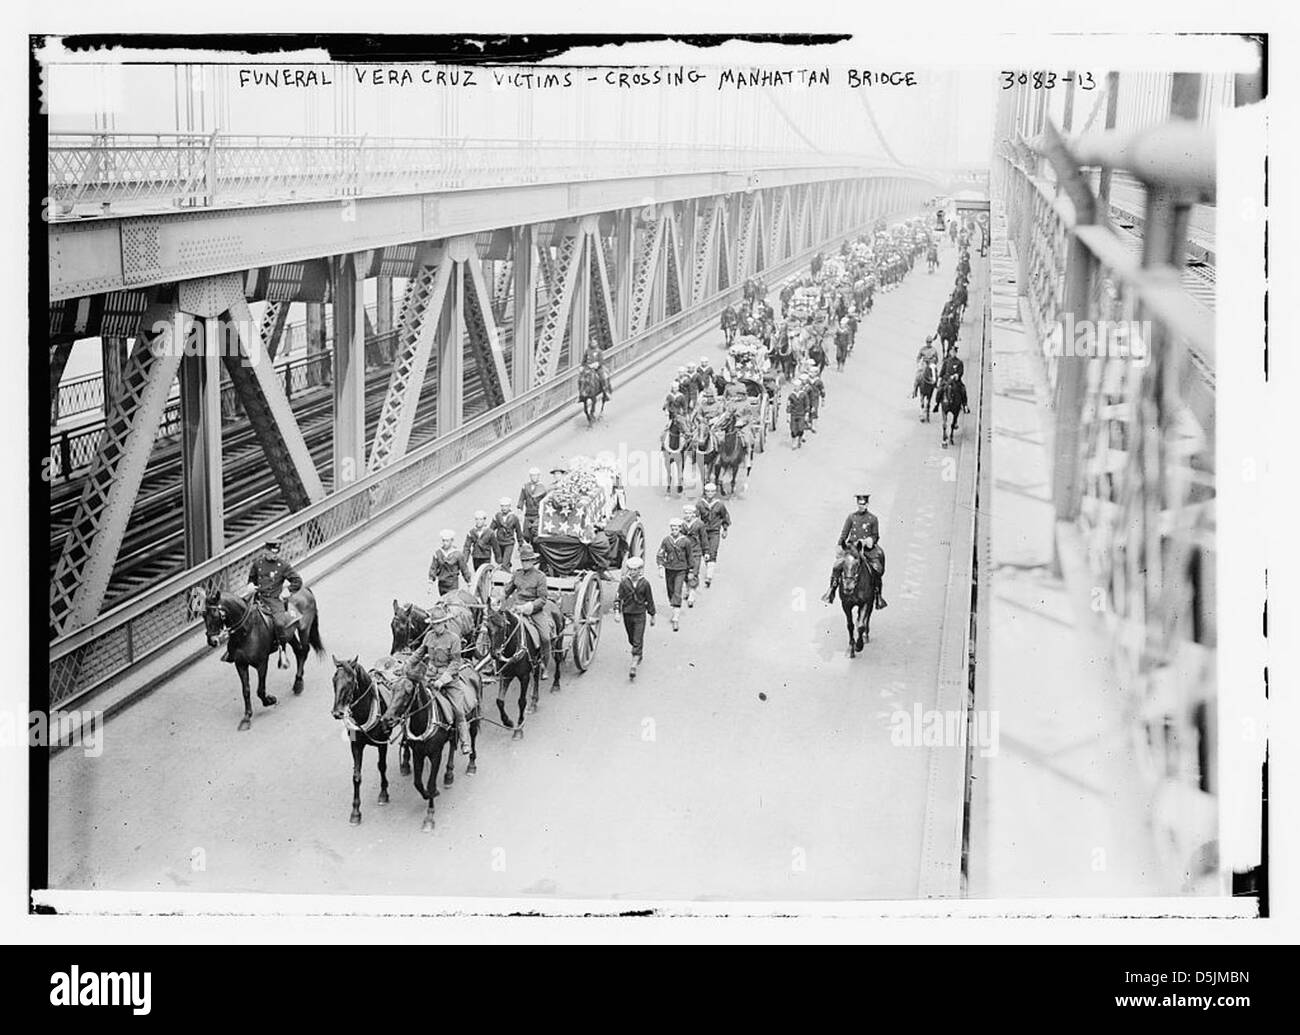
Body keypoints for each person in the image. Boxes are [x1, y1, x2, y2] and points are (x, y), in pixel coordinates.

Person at [393, 601, 473, 754]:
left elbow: (456, 662)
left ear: (444, 622)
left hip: (449, 681)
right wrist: (405, 666)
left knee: (458, 709)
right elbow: (419, 653)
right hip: (429, 676)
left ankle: (465, 740)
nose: (435, 627)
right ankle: (406, 736)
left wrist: (443, 680)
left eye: (438, 624)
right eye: (433, 624)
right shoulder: (429, 636)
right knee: (410, 700)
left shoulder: (454, 639)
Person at [227, 538, 303, 662]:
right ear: (266, 551)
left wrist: (287, 591)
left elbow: (297, 581)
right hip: (258, 597)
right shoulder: (258, 564)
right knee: (239, 617)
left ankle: (282, 650)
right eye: (272, 553)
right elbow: (251, 578)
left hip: (274, 599)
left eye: (276, 553)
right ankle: (232, 650)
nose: (274, 555)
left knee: (279, 623)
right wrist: (251, 585)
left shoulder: (283, 565)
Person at [501, 544, 562, 677]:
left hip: (534, 610)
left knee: (545, 637)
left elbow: (542, 599)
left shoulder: (540, 577)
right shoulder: (517, 574)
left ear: (533, 561)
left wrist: (529, 607)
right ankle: (500, 661)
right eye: (523, 560)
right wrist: (498, 598)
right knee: (501, 631)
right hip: (516, 609)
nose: (525, 563)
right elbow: (507, 590)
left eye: (528, 560)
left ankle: (545, 665)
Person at [837, 493, 887, 608]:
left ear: (867, 504)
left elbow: (875, 536)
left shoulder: (873, 519)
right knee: (837, 566)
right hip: (852, 548)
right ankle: (831, 590)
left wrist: (868, 541)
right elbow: (844, 533)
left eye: (863, 504)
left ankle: (878, 595)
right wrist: (840, 545)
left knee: (877, 568)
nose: (861, 506)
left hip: (866, 548)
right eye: (859, 504)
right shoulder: (851, 517)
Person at [656, 517, 700, 632]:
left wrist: (691, 570)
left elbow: (690, 557)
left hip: (681, 570)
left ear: (680, 529)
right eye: (672, 528)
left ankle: (675, 617)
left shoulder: (685, 541)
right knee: (670, 591)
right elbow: (660, 553)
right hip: (669, 569)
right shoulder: (666, 540)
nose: (674, 530)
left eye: (676, 528)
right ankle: (674, 606)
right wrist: (660, 566)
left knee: (677, 590)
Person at [615, 556, 656, 678]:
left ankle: (633, 664)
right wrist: (617, 612)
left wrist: (652, 615)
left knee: (637, 639)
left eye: (635, 570)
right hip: (627, 614)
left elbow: (649, 600)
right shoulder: (624, 583)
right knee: (631, 638)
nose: (632, 572)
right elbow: (618, 598)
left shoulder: (645, 583)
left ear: (640, 570)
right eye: (630, 569)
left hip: (640, 614)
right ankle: (638, 652)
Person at [695, 482, 731, 587]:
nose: (710, 493)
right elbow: (696, 517)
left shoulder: (719, 505)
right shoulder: (700, 504)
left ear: (715, 492)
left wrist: (725, 529)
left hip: (715, 531)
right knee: (705, 552)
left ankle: (709, 576)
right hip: (703, 532)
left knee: (713, 551)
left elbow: (725, 517)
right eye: (707, 491)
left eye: (712, 491)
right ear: (705, 492)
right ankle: (709, 568)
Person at [428, 529, 472, 598]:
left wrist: (469, 582)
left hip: (452, 584)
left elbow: (464, 569)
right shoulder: (438, 553)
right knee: (443, 602)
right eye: (443, 540)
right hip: (442, 584)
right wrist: (430, 583)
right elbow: (433, 568)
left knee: (452, 601)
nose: (445, 543)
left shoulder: (458, 554)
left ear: (452, 541)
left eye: (447, 541)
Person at [679, 503, 707, 608]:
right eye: (685, 513)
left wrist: (706, 552)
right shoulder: (681, 525)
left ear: (693, 514)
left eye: (689, 513)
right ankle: (688, 588)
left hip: (696, 551)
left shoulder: (699, 524)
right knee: (685, 571)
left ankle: (692, 594)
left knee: (693, 572)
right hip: (684, 552)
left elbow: (704, 538)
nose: (687, 515)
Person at [490, 497, 524, 568]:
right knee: (499, 561)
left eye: (506, 506)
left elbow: (518, 531)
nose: (504, 508)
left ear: (509, 506)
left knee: (505, 563)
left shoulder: (514, 518)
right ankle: (507, 568)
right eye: (502, 506)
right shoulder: (497, 516)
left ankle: (506, 570)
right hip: (499, 542)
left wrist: (520, 544)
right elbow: (491, 529)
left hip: (509, 543)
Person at [935, 345, 969, 414]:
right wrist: (940, 378)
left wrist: (957, 375)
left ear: (956, 353)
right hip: (946, 379)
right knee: (940, 390)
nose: (953, 353)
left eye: (954, 352)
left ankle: (965, 405)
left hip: (955, 381)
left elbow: (961, 372)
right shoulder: (946, 361)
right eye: (952, 352)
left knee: (963, 389)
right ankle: (937, 404)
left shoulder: (959, 362)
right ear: (950, 352)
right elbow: (942, 371)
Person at [517, 467, 549, 542]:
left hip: (537, 515)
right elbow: (521, 499)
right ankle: (528, 549)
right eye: (532, 475)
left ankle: (536, 551)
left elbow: (545, 501)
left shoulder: (542, 487)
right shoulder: (525, 486)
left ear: (539, 476)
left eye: (536, 475)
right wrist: (519, 510)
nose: (534, 477)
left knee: (535, 534)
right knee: (526, 534)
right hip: (528, 514)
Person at [787, 376, 808, 449]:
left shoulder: (804, 395)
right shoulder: (791, 395)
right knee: (793, 429)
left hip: (801, 414)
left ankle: (799, 440)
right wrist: (788, 415)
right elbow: (789, 405)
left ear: (801, 386)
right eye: (795, 386)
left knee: (801, 428)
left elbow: (806, 404)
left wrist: (807, 414)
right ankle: (794, 442)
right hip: (793, 414)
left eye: (798, 386)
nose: (796, 387)